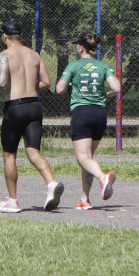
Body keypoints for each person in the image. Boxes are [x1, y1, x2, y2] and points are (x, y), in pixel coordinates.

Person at [0, 21, 64, 213]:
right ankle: (52, 183)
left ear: (4, 36)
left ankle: (13, 201)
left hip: (15, 107)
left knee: (9, 154)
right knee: (33, 152)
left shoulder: (4, 56)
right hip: (34, 106)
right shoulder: (34, 54)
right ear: (20, 35)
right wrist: (28, 87)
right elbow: (46, 82)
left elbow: (1, 82)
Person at [55, 33, 121, 210]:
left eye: (77, 44)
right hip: (100, 113)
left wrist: (69, 85)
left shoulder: (74, 65)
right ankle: (85, 199)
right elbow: (116, 88)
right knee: (87, 159)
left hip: (82, 112)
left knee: (82, 158)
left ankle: (102, 177)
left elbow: (59, 89)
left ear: (81, 47)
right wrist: (104, 94)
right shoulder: (103, 66)